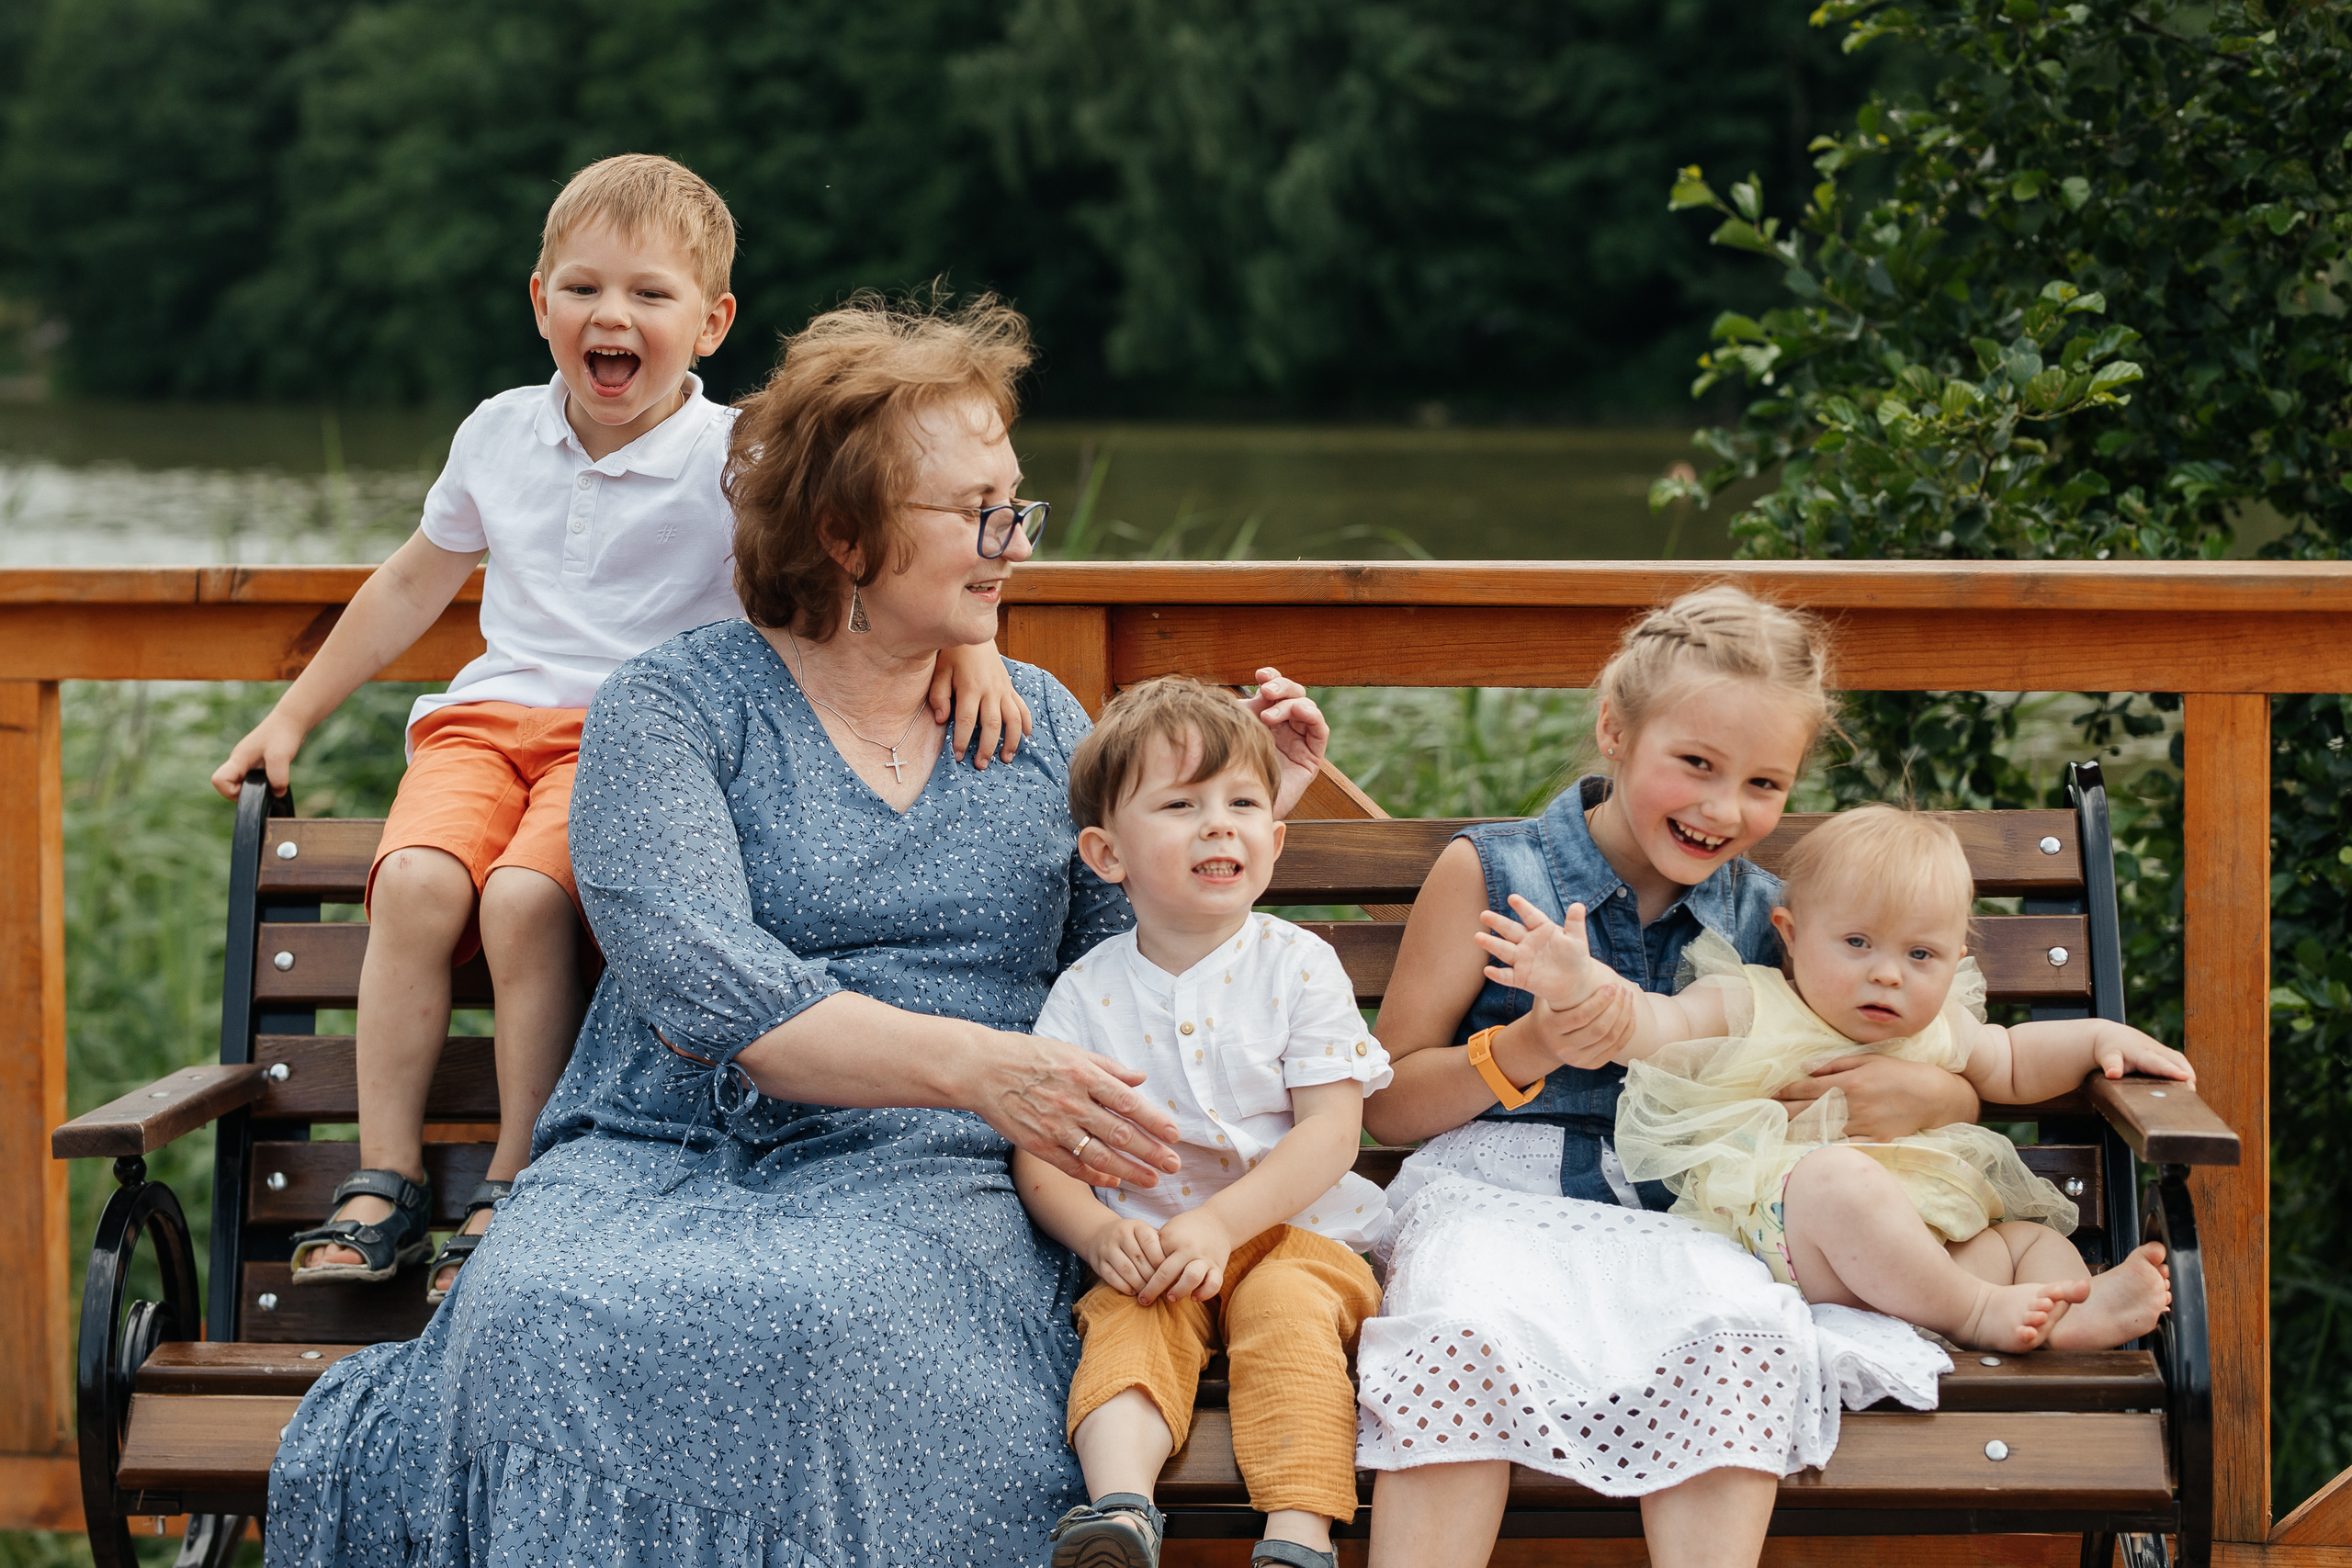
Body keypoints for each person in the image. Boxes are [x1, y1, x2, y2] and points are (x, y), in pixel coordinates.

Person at [267, 293, 1333, 1568]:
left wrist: (1256, 809)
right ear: (845, 534)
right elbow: (716, 992)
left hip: (930, 1167)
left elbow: (1145, 947)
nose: (1015, 542)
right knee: (536, 1307)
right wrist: (986, 1063)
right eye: (977, 512)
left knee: (826, 1317)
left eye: (1017, 504)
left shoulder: (1044, 722)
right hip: (660, 1140)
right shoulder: (670, 708)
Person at [209, 156, 1027, 1303]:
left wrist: (968, 643)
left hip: (624, 739)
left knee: (524, 900)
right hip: (483, 723)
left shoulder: (732, 456)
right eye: (585, 289)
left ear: (711, 322)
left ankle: (513, 1176)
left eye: (650, 295)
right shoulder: (497, 433)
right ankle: (382, 1175)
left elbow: (866, 551)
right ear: (540, 300)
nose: (614, 317)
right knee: (415, 888)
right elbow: (409, 583)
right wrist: (291, 719)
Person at [1357, 584, 1981, 1568]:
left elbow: (1925, 1051)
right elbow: (1388, 1103)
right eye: (1694, 764)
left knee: (1735, 1329)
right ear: (1614, 731)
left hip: (1689, 1210)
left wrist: (1947, 1095)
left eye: (1764, 784)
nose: (1723, 809)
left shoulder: (1777, 919)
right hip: (1495, 1194)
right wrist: (1529, 1048)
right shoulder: (1491, 873)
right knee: (1463, 1325)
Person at [1481, 803, 2184, 1352]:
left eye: (1921, 953)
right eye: (1857, 943)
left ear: (1955, 957)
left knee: (2031, 1239)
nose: (1887, 971)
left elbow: (2017, 1059)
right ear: (1788, 933)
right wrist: (1581, 985)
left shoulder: (1942, 1028)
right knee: (1836, 1178)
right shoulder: (1752, 1003)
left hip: (1947, 1248)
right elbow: (1651, 1027)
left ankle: (2065, 1314)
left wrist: (2103, 1038)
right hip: (1810, 1250)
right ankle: (1975, 1313)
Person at [1013, 677, 1392, 1568]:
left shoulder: (1298, 966)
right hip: (1153, 1243)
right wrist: (1101, 1231)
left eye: (1242, 804)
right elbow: (1042, 1153)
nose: (1219, 824)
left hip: (1297, 1235)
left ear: (1275, 838)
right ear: (1108, 855)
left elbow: (1334, 1133)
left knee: (1287, 1319)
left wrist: (1223, 1224)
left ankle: (1297, 1533)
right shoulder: (1088, 991)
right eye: (1182, 805)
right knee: (1125, 1326)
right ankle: (1120, 1510)